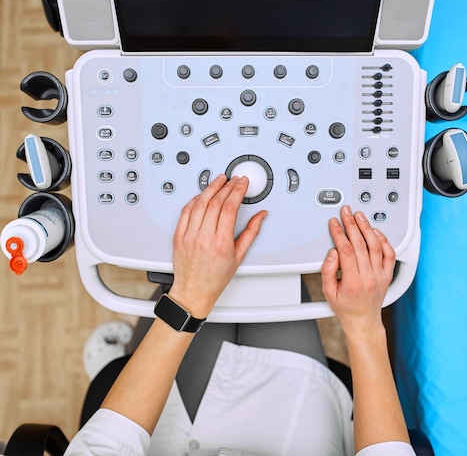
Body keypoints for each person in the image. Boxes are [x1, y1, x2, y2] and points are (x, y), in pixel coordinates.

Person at [64, 174, 416, 455]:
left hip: (164, 436)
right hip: (292, 434)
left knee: (201, 264)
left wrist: (188, 297)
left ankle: (140, 342)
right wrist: (362, 325)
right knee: (267, 262)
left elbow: (103, 447)